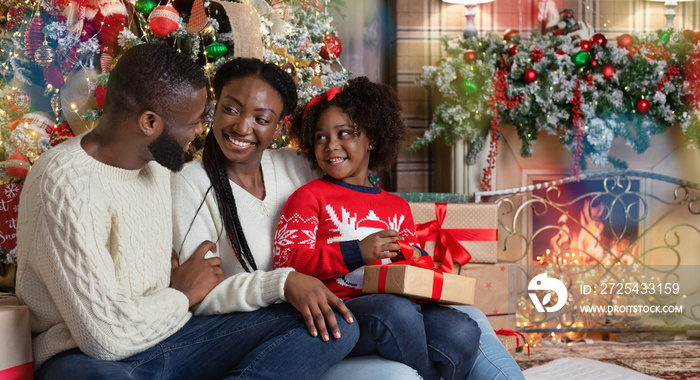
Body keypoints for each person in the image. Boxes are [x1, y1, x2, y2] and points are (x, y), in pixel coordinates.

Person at [16, 44, 358, 380]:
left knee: (333, 322)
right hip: (84, 356)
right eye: (193, 122)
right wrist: (180, 293)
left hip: (172, 338)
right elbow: (108, 337)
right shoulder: (64, 185)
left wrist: (175, 288)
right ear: (150, 122)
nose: (199, 133)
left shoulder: (158, 165)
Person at [172, 58, 524, 380]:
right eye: (230, 109)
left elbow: (358, 180)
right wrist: (288, 281)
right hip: (290, 319)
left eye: (262, 119)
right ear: (213, 108)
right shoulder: (197, 184)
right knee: (395, 315)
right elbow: (209, 291)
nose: (243, 126)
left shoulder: (300, 165)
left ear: (279, 127)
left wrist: (415, 264)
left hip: (370, 306)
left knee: (465, 324)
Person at [272, 76, 481, 380]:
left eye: (343, 133)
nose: (331, 146)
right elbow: (287, 262)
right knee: (394, 311)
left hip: (402, 309)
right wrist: (357, 252)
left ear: (371, 138)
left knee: (461, 330)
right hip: (341, 313)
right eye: (320, 137)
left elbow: (413, 272)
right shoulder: (308, 196)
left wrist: (413, 256)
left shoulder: (397, 206)